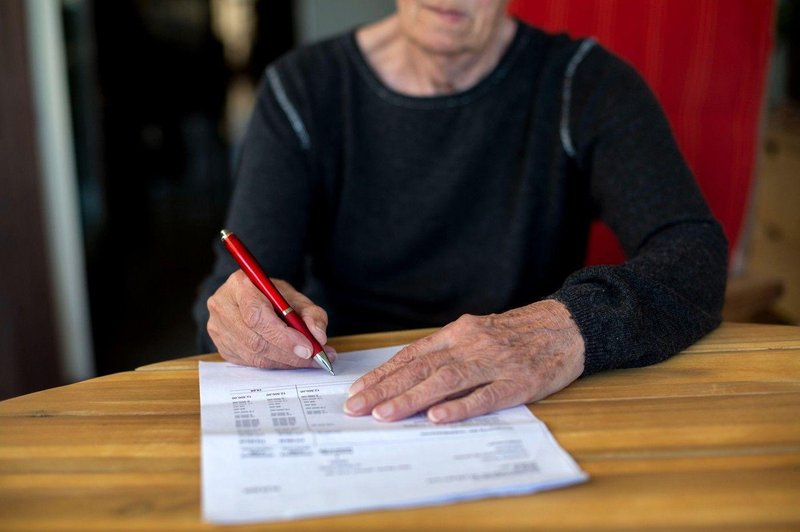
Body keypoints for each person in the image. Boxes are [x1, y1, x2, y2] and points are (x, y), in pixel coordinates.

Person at [194, 0, 727, 424]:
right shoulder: (302, 89)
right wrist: (241, 315)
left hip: (529, 396)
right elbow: (238, 286)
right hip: (346, 393)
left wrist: (561, 330)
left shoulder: (584, 83)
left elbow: (693, 253)